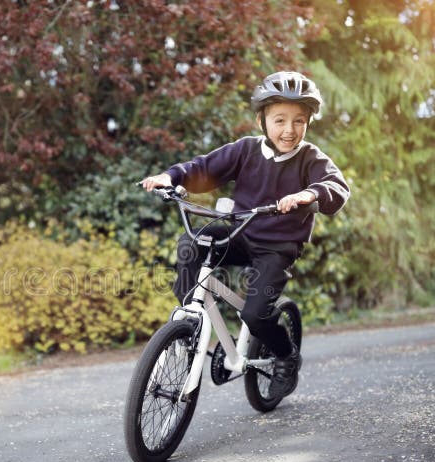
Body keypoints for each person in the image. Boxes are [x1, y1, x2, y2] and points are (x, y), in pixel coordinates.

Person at [140, 71, 350, 399]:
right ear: (261, 120)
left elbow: (336, 186)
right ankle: (189, 321)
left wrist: (308, 194)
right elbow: (203, 169)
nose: (289, 129)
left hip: (278, 246)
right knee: (192, 242)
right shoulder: (246, 150)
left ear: (308, 122)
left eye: (299, 121)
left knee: (255, 314)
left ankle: (286, 356)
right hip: (241, 232)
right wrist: (170, 177)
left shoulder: (311, 158)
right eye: (280, 120)